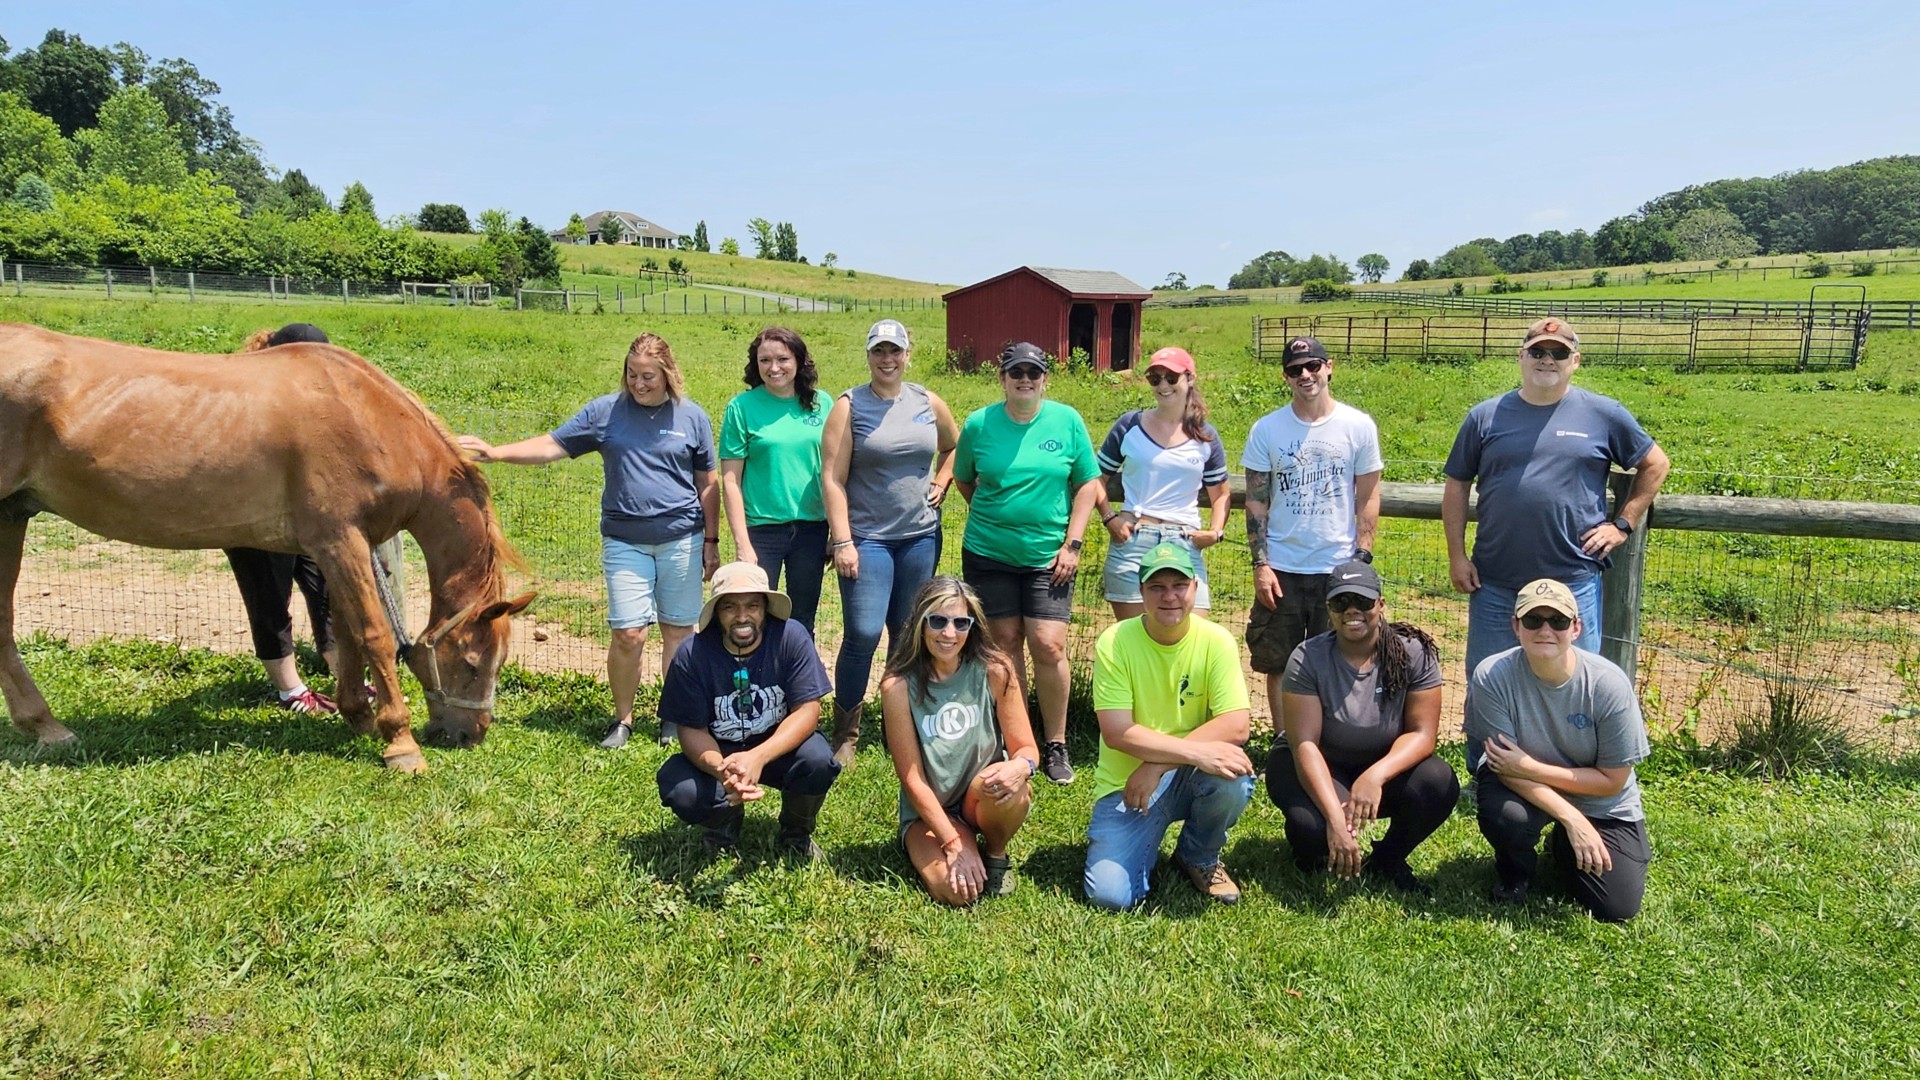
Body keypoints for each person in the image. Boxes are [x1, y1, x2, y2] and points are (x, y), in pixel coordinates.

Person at [457, 333, 719, 749]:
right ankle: (623, 720)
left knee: (678, 633)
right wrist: (496, 452)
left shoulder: (692, 417)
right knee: (628, 634)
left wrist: (711, 540)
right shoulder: (606, 412)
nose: (639, 383)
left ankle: (675, 717)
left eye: (648, 376)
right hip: (625, 541)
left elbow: (707, 483)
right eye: (632, 374)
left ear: (668, 374)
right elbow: (552, 445)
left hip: (681, 540)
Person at [1443, 316, 1670, 766]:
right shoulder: (1485, 416)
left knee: (1577, 680)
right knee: (1488, 678)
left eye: (1559, 353)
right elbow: (1456, 485)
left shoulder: (1603, 413)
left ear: (1575, 361)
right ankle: (1486, 773)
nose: (1548, 360)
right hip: (1496, 579)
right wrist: (1456, 555)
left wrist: (1621, 525)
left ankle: (1578, 773)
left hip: (1572, 579)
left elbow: (1655, 464)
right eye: (1539, 351)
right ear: (1521, 357)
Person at [952, 342, 1102, 786]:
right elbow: (963, 477)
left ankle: (1056, 742)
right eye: (1016, 372)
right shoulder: (979, 424)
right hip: (988, 553)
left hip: (1049, 557)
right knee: (1004, 640)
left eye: (1033, 373)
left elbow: (1088, 483)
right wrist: (994, 513)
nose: (1025, 380)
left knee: (1049, 643)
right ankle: (1020, 739)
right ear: (1002, 379)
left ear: (1044, 379)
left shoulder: (1067, 420)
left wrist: (1072, 544)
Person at [1266, 560, 1459, 896]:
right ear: (1329, 610)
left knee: (1439, 782)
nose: (1351, 610)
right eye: (1340, 602)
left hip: (1381, 765)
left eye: (1363, 601)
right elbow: (1305, 745)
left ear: (1380, 604)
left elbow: (1423, 734)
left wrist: (1376, 775)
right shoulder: (1307, 656)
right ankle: (1318, 850)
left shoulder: (1414, 651)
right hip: (1318, 763)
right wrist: (1336, 819)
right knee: (1311, 831)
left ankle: (1388, 858)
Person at [1465, 579, 1651, 922]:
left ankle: (1562, 847)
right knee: (1506, 817)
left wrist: (1531, 767)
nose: (1545, 630)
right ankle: (1516, 872)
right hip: (1522, 787)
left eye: (1559, 621)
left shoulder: (1608, 684)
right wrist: (1572, 817)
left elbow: (1612, 781)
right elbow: (1503, 765)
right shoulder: (1491, 675)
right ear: (1516, 626)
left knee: (1617, 908)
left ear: (1576, 627)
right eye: (1534, 620)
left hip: (1598, 796)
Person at [1084, 542, 1256, 910]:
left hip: (1177, 774)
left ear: (1195, 587)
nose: (1170, 597)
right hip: (1126, 786)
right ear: (1141, 592)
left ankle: (1199, 854)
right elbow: (1117, 732)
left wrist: (1158, 764)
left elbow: (1237, 725)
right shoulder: (1115, 642)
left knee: (1232, 775)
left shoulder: (1217, 641)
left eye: (1179, 585)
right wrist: (1191, 752)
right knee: (1110, 897)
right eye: (1157, 587)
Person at [820, 319, 959, 768]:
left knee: (908, 633)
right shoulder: (849, 406)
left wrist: (943, 478)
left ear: (907, 354)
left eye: (894, 351)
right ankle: (847, 731)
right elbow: (833, 478)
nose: (887, 359)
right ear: (868, 355)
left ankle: (904, 723)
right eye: (879, 350)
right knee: (862, 631)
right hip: (868, 539)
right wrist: (842, 539)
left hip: (919, 536)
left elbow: (955, 446)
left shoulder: (926, 401)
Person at [655, 562, 839, 860]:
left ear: (765, 607)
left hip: (777, 746)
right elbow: (691, 729)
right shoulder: (692, 653)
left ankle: (796, 833)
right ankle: (724, 822)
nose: (742, 616)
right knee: (681, 787)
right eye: (729, 607)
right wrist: (723, 771)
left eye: (752, 605)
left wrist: (758, 757)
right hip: (721, 752)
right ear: (716, 613)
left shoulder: (791, 636)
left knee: (818, 760)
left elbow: (808, 709)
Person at [1242, 335, 1383, 724]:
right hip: (1282, 566)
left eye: (1312, 365)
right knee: (1279, 661)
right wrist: (1261, 563)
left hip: (1337, 566)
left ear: (1329, 366)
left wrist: (1362, 557)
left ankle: (1333, 744)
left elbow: (1368, 495)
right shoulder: (1267, 429)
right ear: (1285, 377)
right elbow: (1256, 500)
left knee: (1341, 658)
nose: (1305, 375)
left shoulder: (1357, 426)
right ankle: (1286, 744)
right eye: (1294, 370)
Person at [882, 577, 1040, 905]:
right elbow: (912, 780)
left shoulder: (996, 670)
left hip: (980, 795)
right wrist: (953, 843)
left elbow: (1027, 748)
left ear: (973, 626)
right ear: (920, 624)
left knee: (1007, 785)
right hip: (928, 811)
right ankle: (960, 842)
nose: (949, 633)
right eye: (938, 621)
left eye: (960, 622)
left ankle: (995, 853)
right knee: (957, 892)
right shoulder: (897, 687)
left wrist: (1020, 768)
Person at [225, 322, 344, 713]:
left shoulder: (310, 396)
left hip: (303, 515)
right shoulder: (243, 398)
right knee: (270, 599)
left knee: (326, 587)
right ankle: (290, 690)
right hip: (253, 515)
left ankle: (343, 672)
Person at [1095, 346, 1230, 621]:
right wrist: (1110, 518)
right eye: (1155, 379)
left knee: (1193, 636)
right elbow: (1096, 479)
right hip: (1133, 539)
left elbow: (1221, 494)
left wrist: (1215, 532)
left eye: (1171, 377)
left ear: (1190, 378)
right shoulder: (1129, 425)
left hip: (1184, 541)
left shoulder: (1205, 435)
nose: (1163, 385)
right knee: (1135, 638)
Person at [720, 327, 830, 636]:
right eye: (764, 360)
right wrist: (742, 543)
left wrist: (837, 530)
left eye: (783, 358)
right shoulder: (741, 408)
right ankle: (755, 682)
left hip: (812, 528)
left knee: (802, 617)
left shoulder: (823, 405)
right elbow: (730, 480)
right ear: (755, 364)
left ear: (799, 361)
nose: (774, 367)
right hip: (761, 531)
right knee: (752, 616)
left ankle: (796, 683)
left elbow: (836, 472)